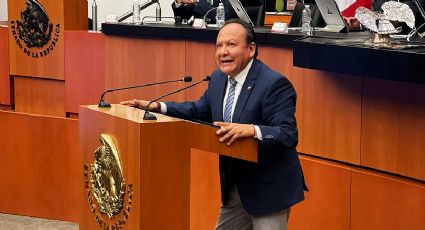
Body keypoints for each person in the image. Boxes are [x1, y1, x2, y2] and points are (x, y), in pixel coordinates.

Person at [121, 19, 306, 229]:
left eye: (231, 45)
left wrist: (253, 130)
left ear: (251, 49)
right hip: (235, 187)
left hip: (269, 190)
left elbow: (288, 134)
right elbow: (199, 110)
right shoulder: (218, 78)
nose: (223, 52)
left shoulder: (273, 84)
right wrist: (157, 107)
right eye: (219, 46)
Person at [345, 0, 425, 33]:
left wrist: (367, 23)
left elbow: (402, 14)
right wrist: (361, 23)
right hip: (383, 47)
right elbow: (379, 11)